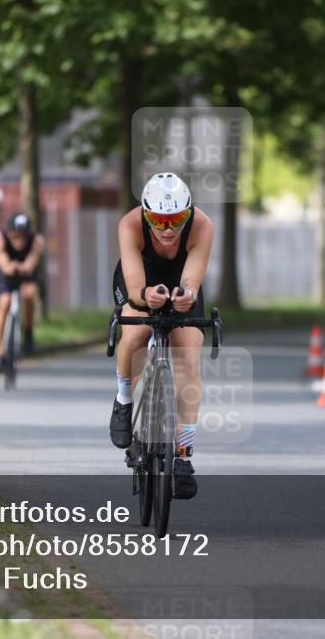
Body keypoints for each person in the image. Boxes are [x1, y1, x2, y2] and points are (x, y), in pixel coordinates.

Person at [110, 172, 215, 500]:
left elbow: (193, 279)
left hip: (181, 281)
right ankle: (124, 399)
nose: (168, 229)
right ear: (144, 213)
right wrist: (144, 295)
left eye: (176, 219)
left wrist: (187, 295)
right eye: (157, 219)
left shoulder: (203, 226)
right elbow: (133, 282)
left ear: (188, 213)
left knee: (188, 352)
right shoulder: (129, 225)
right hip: (140, 280)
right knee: (138, 331)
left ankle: (183, 456)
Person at [0, 213, 44, 372]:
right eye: (16, 235)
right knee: (5, 302)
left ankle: (28, 331)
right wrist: (10, 267)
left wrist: (24, 267)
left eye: (23, 236)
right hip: (7, 272)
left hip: (26, 271)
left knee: (28, 295)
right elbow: (3, 262)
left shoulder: (37, 240)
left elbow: (32, 261)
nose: (19, 240)